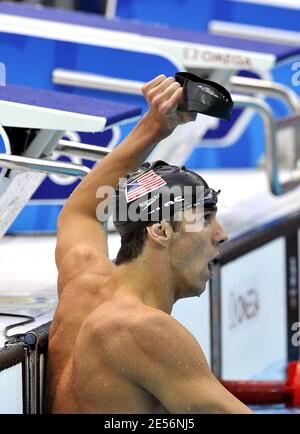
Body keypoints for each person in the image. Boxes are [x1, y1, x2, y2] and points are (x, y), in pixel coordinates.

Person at [44, 74, 252, 414]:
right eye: (205, 217)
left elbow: (80, 213)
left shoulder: (83, 286)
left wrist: (155, 126)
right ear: (160, 231)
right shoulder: (140, 330)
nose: (221, 234)